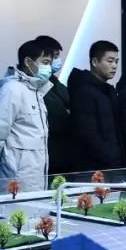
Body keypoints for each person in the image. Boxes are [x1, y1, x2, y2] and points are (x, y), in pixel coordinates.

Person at [0, 40, 52, 192]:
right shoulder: (11, 90)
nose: (49, 68)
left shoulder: (35, 91)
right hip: (14, 178)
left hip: (34, 177)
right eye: (45, 62)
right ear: (28, 62)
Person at [68, 40, 123, 171]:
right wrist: (110, 157)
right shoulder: (83, 91)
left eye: (116, 61)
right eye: (110, 61)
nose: (114, 66)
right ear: (94, 62)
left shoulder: (108, 91)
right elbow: (87, 133)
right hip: (93, 167)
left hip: (113, 163)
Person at [34, 35, 73, 175]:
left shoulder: (54, 81)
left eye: (56, 57)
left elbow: (72, 102)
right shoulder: (35, 84)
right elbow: (59, 116)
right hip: (48, 152)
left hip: (62, 151)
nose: (56, 61)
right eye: (53, 57)